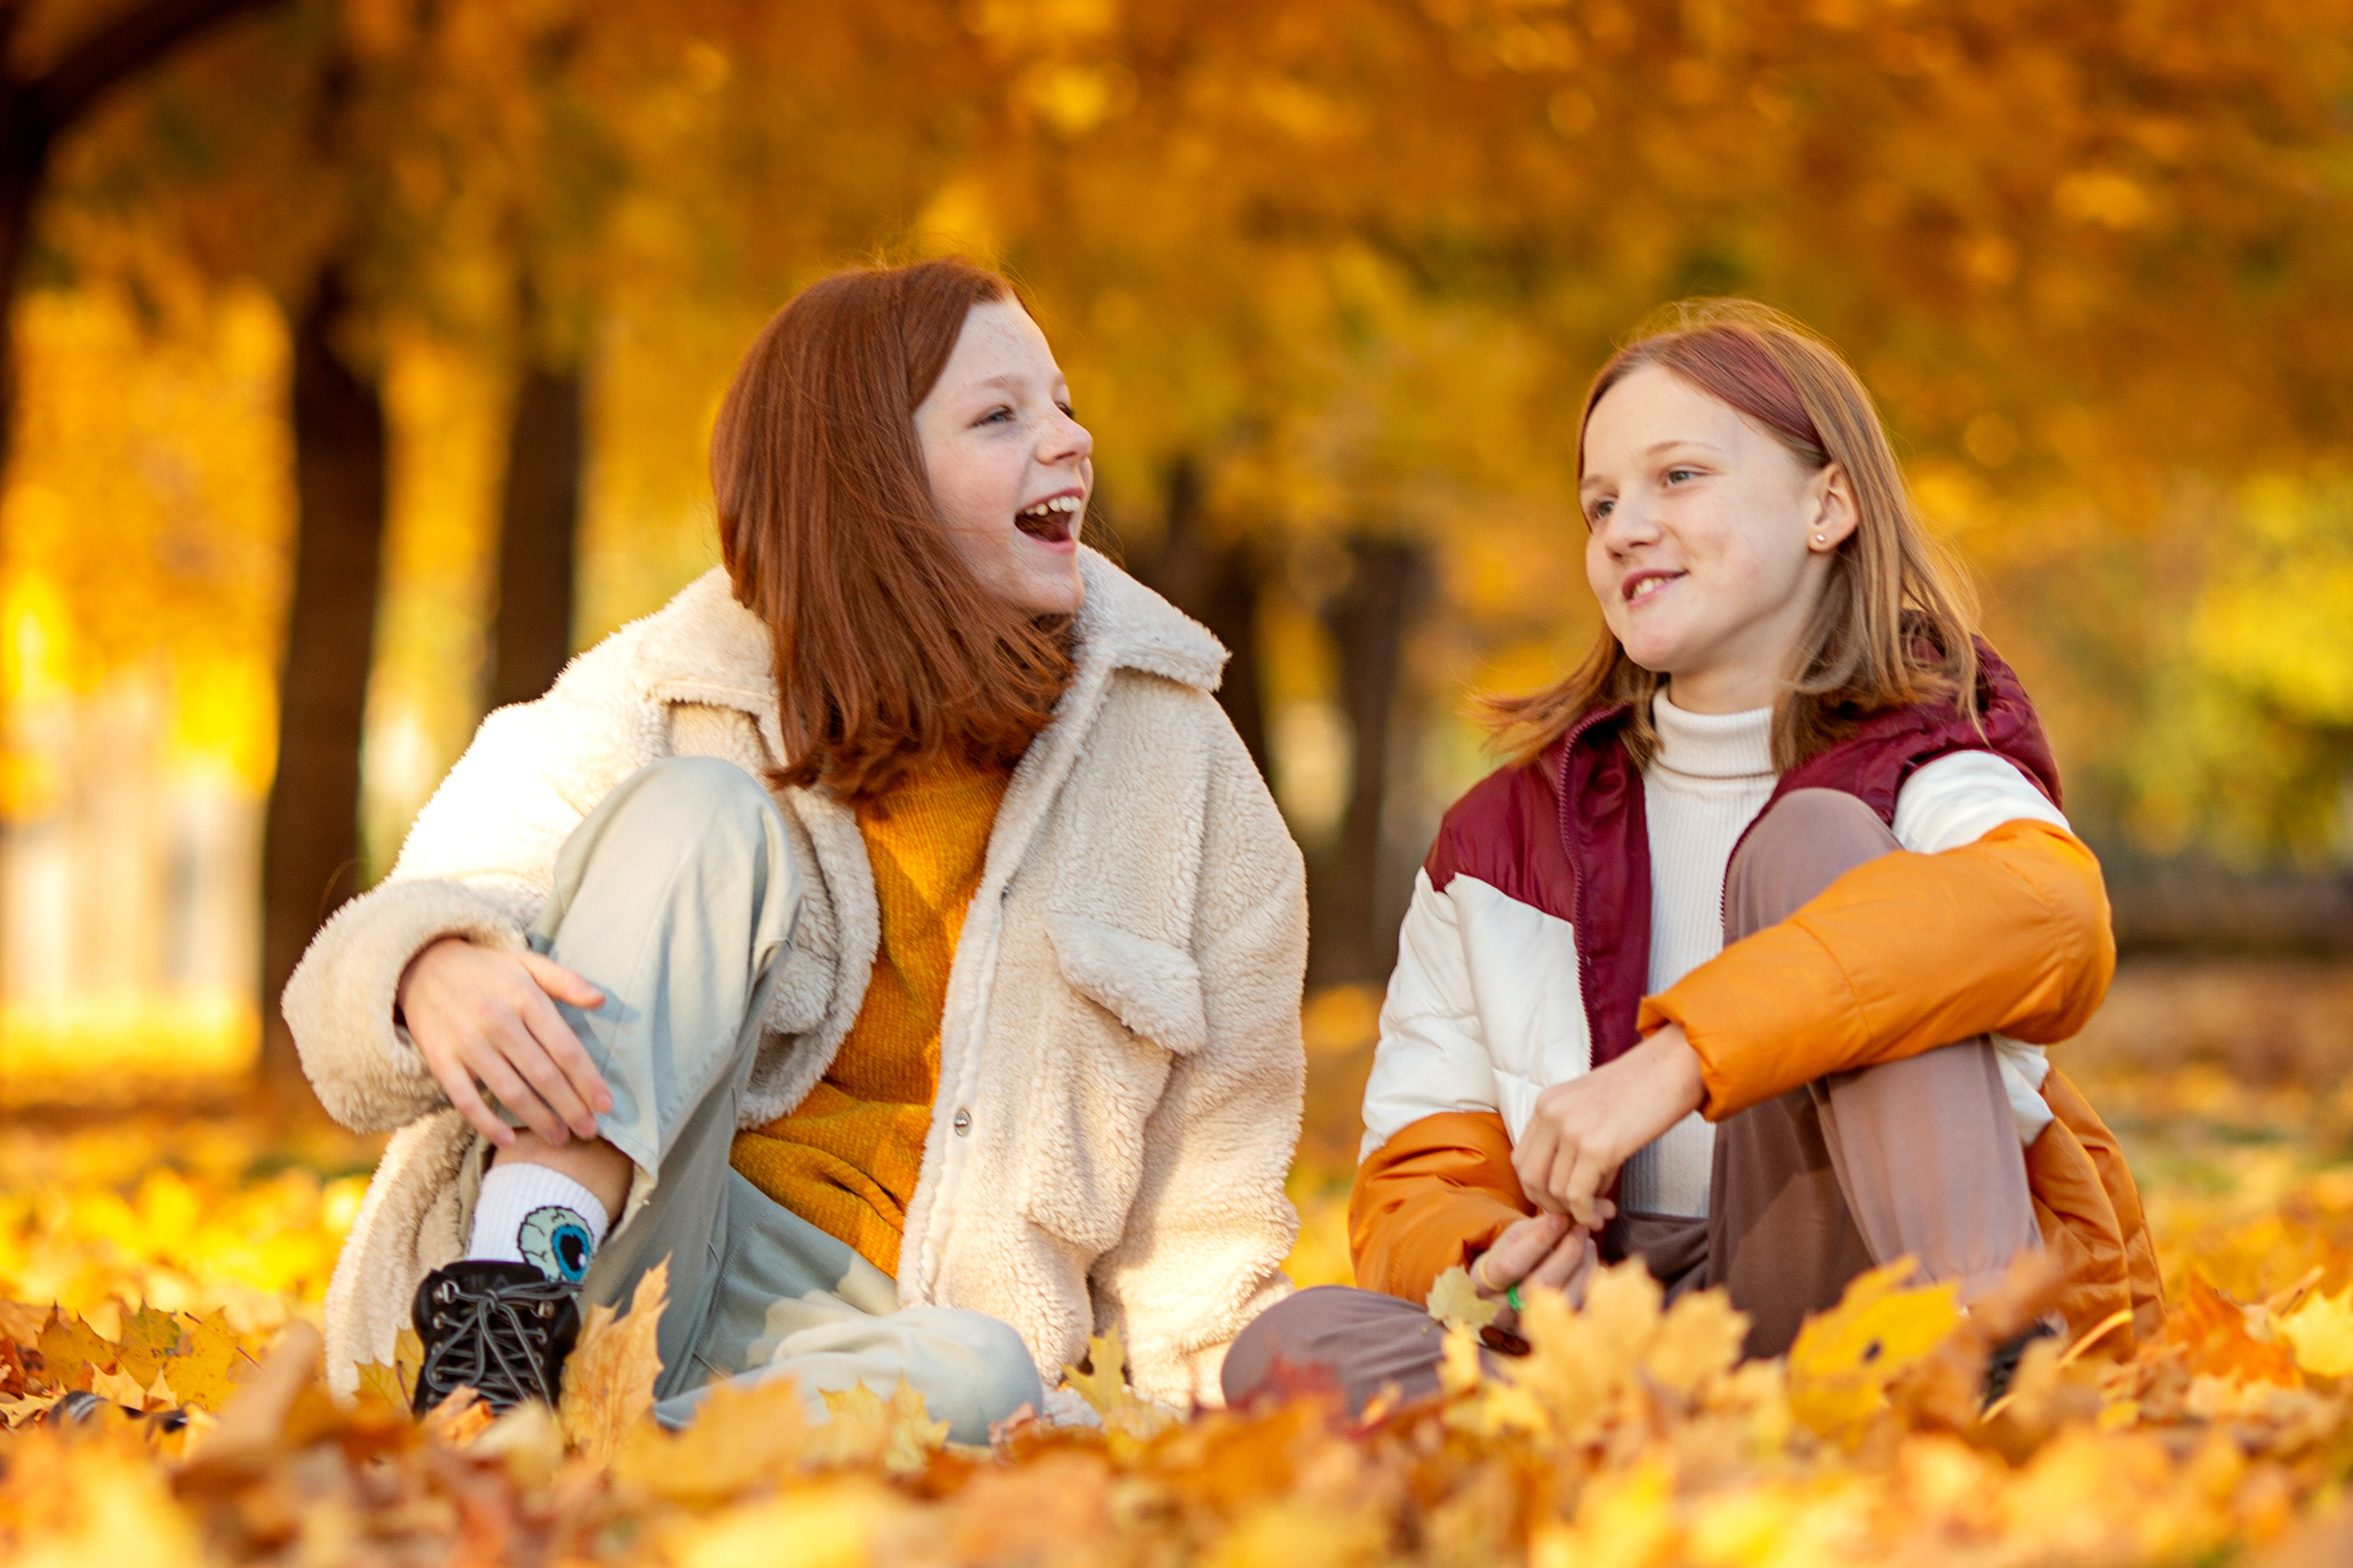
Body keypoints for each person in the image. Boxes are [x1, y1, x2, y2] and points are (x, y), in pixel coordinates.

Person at [287, 258, 1308, 1439]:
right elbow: (422, 911)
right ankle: (495, 1365)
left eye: (1064, 404)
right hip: (630, 1246)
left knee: (982, 1373)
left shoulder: (1178, 762)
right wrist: (429, 964)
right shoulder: (670, 687)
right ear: (868, 475)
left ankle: (601, 1458)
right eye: (999, 415)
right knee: (696, 813)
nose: (1070, 440)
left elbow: (1208, 1207)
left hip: (878, 1335)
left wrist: (1219, 1406)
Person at [1223, 300, 2161, 1416]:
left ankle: (1981, 1368)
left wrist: (1675, 1061)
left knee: (1809, 848)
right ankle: (1672, 1441)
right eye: (1600, 502)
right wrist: (1488, 1258)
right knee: (1288, 1348)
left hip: (1861, 1291)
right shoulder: (1498, 838)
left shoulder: (1927, 764)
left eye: (1677, 477)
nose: (1624, 527)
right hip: (1625, 1324)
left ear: (1827, 504)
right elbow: (1418, 1172)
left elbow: (2057, 917)